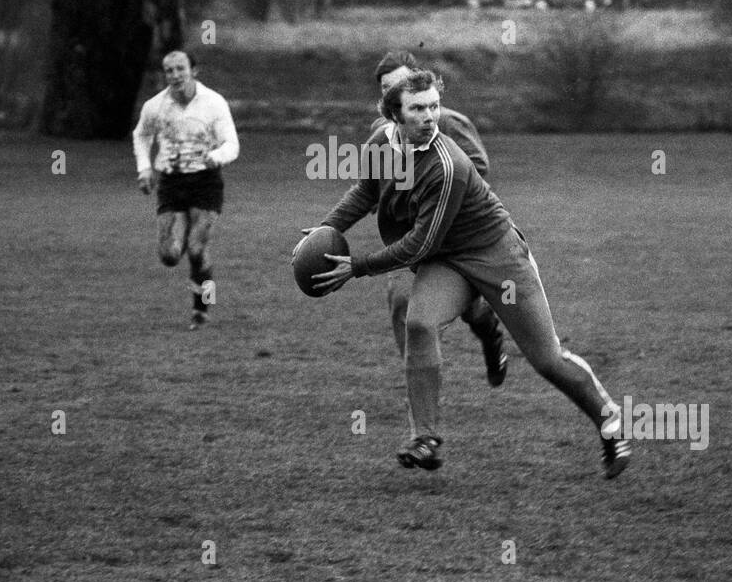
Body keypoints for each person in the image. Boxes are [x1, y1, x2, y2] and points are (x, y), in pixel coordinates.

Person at [310, 69, 631, 478]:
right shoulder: (382, 144)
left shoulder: (447, 164)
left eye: (434, 106)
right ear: (395, 114)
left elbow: (421, 244)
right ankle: (424, 438)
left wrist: (357, 267)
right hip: (449, 260)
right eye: (417, 108)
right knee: (421, 323)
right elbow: (365, 192)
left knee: (547, 359)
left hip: (497, 256)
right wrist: (327, 229)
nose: (429, 116)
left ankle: (611, 422)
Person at [368, 52, 508, 387]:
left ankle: (490, 334)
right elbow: (381, 179)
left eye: (399, 83)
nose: (392, 93)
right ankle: (417, 381)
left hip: (455, 237)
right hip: (409, 237)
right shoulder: (382, 131)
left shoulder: (449, 122)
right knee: (402, 301)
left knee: (471, 311)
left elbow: (478, 168)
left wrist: (428, 190)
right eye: (387, 88)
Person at [132, 49, 239, 330]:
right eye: (169, 70)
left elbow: (232, 144)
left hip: (205, 181)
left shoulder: (214, 103)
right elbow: (141, 135)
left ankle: (201, 308)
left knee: (195, 248)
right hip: (171, 182)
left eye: (180, 69)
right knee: (169, 255)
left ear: (194, 71)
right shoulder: (155, 107)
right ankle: (193, 266)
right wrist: (144, 168)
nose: (175, 75)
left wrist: (215, 157)